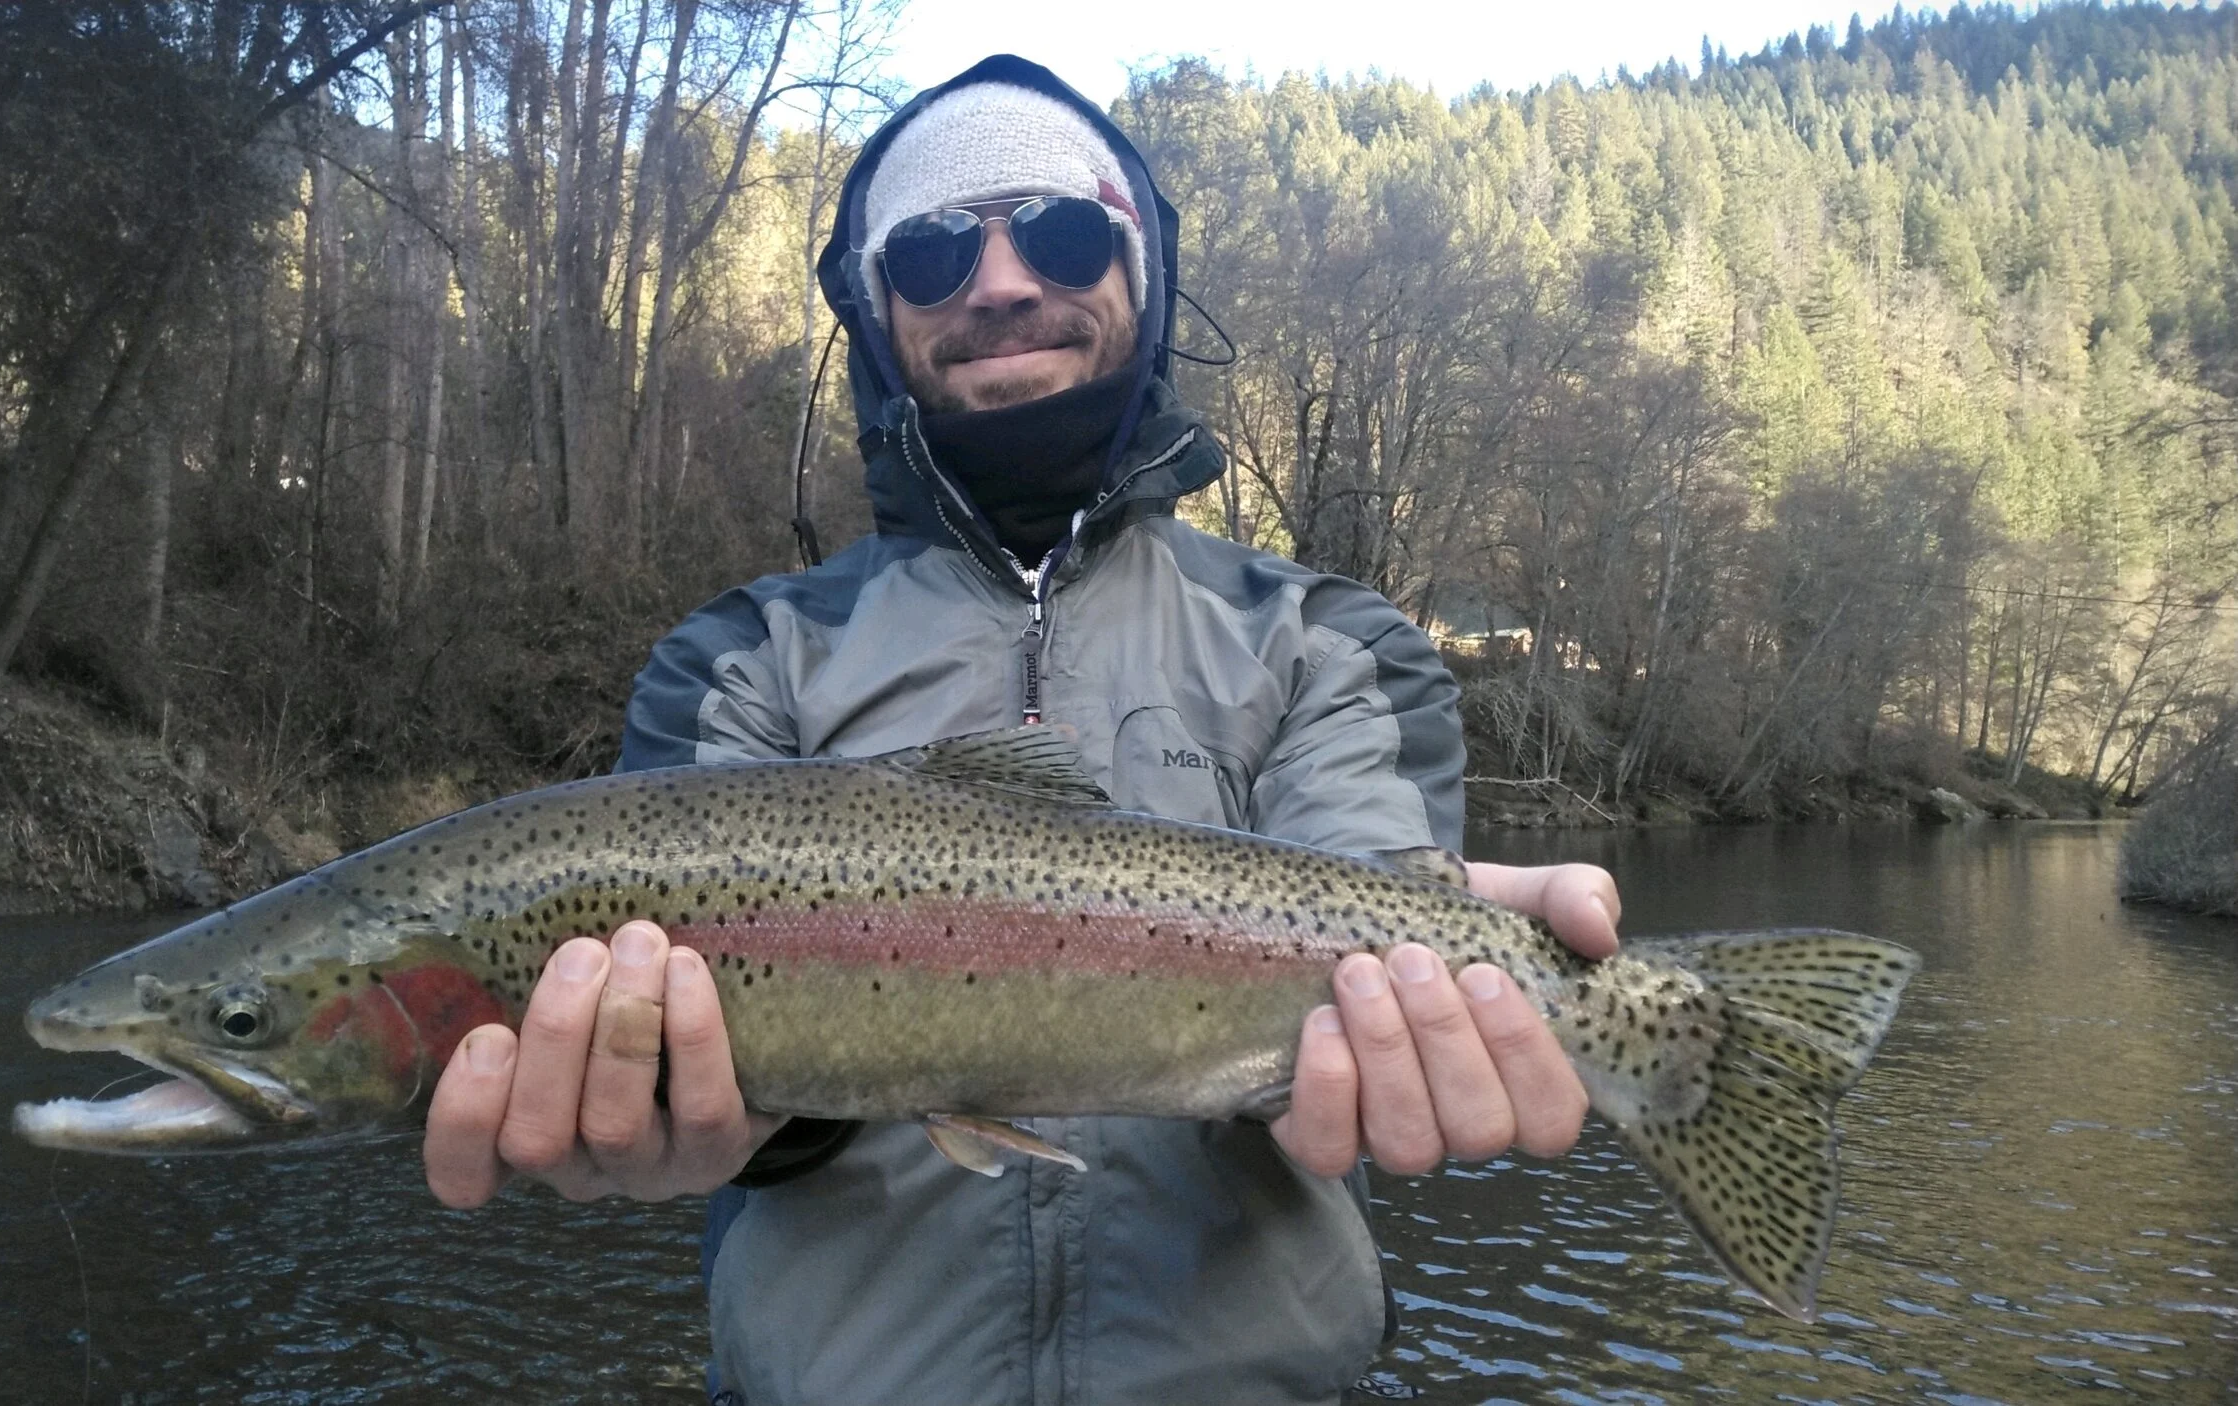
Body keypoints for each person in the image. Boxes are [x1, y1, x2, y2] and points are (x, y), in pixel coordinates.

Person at [421, 55, 1622, 1406]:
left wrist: (1445, 996)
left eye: (1057, 232)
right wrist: (698, 1124)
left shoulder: (1331, 640)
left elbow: (1371, 936)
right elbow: (689, 1042)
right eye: (933, 254)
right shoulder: (739, 659)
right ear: (878, 314)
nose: (998, 283)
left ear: (1141, 278)